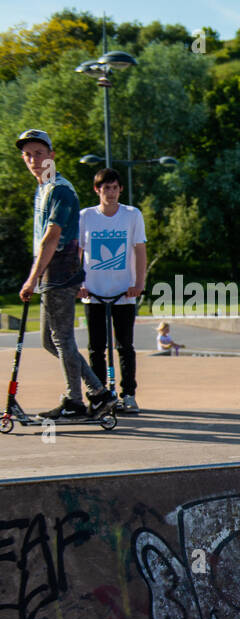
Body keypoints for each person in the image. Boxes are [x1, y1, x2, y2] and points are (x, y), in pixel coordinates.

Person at [15, 129, 114, 420]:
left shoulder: (59, 189)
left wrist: (32, 278)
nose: (33, 159)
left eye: (39, 153)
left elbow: (52, 236)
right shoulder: (43, 188)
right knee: (51, 340)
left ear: (52, 156)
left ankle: (79, 399)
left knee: (61, 338)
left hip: (60, 271)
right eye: (28, 154)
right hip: (52, 271)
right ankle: (96, 393)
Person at [78, 167, 146, 412]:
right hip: (93, 292)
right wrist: (79, 284)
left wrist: (139, 284)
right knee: (96, 348)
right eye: (106, 188)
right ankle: (100, 394)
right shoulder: (85, 216)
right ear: (97, 190)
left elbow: (140, 249)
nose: (111, 193)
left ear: (120, 189)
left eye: (115, 188)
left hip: (123, 293)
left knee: (125, 346)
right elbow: (78, 251)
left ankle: (128, 394)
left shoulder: (132, 214)